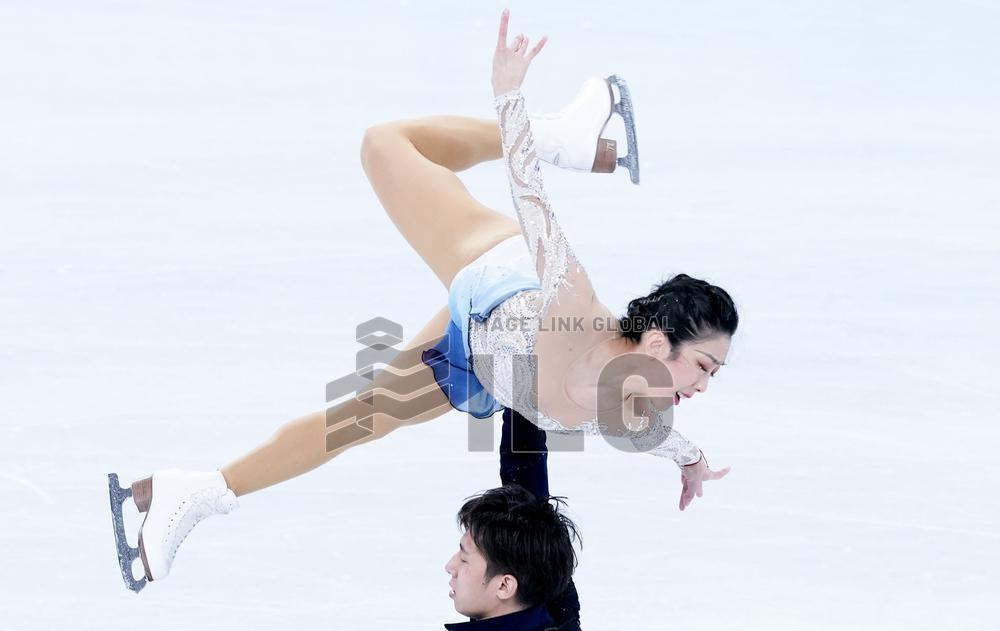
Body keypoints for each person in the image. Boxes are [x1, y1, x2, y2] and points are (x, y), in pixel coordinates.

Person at [109, 9, 738, 591]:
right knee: (385, 145)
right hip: (492, 276)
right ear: (658, 343)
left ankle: (193, 491)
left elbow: (666, 443)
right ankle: (562, 137)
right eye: (703, 367)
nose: (704, 387)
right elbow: (529, 194)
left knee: (356, 420)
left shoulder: (641, 417)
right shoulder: (571, 300)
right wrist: (510, 97)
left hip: (474, 363)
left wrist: (693, 463)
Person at [164, 409, 588, 631]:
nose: (450, 566)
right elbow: (526, 484)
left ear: (503, 585)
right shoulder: (555, 614)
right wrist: (524, 384)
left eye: (464, 556)